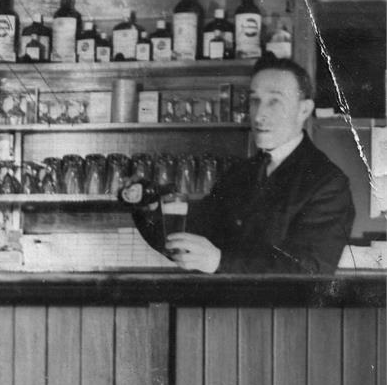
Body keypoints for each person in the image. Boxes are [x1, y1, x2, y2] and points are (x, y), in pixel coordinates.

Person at [132, 55, 355, 274]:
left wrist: (219, 262)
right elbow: (191, 236)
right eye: (254, 101)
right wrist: (149, 209)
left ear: (304, 110)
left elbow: (308, 271)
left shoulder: (327, 184)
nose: (259, 115)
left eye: (274, 101)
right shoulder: (240, 173)